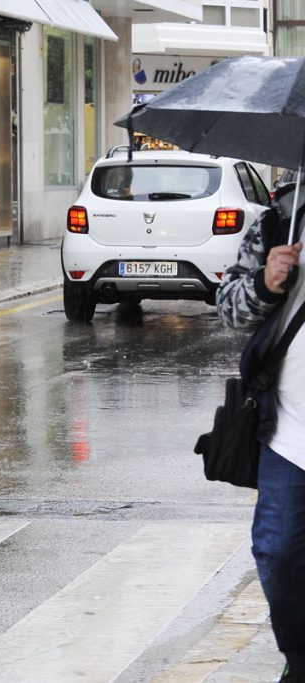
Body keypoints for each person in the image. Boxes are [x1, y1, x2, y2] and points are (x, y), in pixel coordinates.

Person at [216, 208, 305, 682]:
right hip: (289, 431)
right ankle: (300, 657)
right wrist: (265, 283)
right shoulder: (282, 221)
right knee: (278, 552)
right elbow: (227, 307)